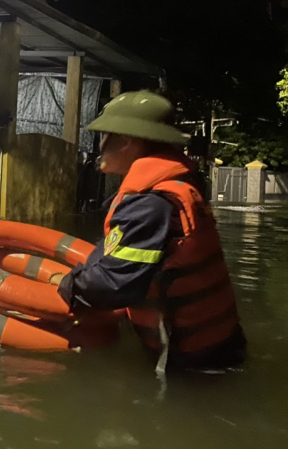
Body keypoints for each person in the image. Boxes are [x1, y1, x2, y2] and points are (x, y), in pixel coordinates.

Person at [51, 91, 246, 371]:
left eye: (104, 136)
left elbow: (112, 285)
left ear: (126, 142)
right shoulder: (173, 187)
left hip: (193, 365)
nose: (100, 146)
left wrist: (66, 282)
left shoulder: (150, 206)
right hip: (217, 347)